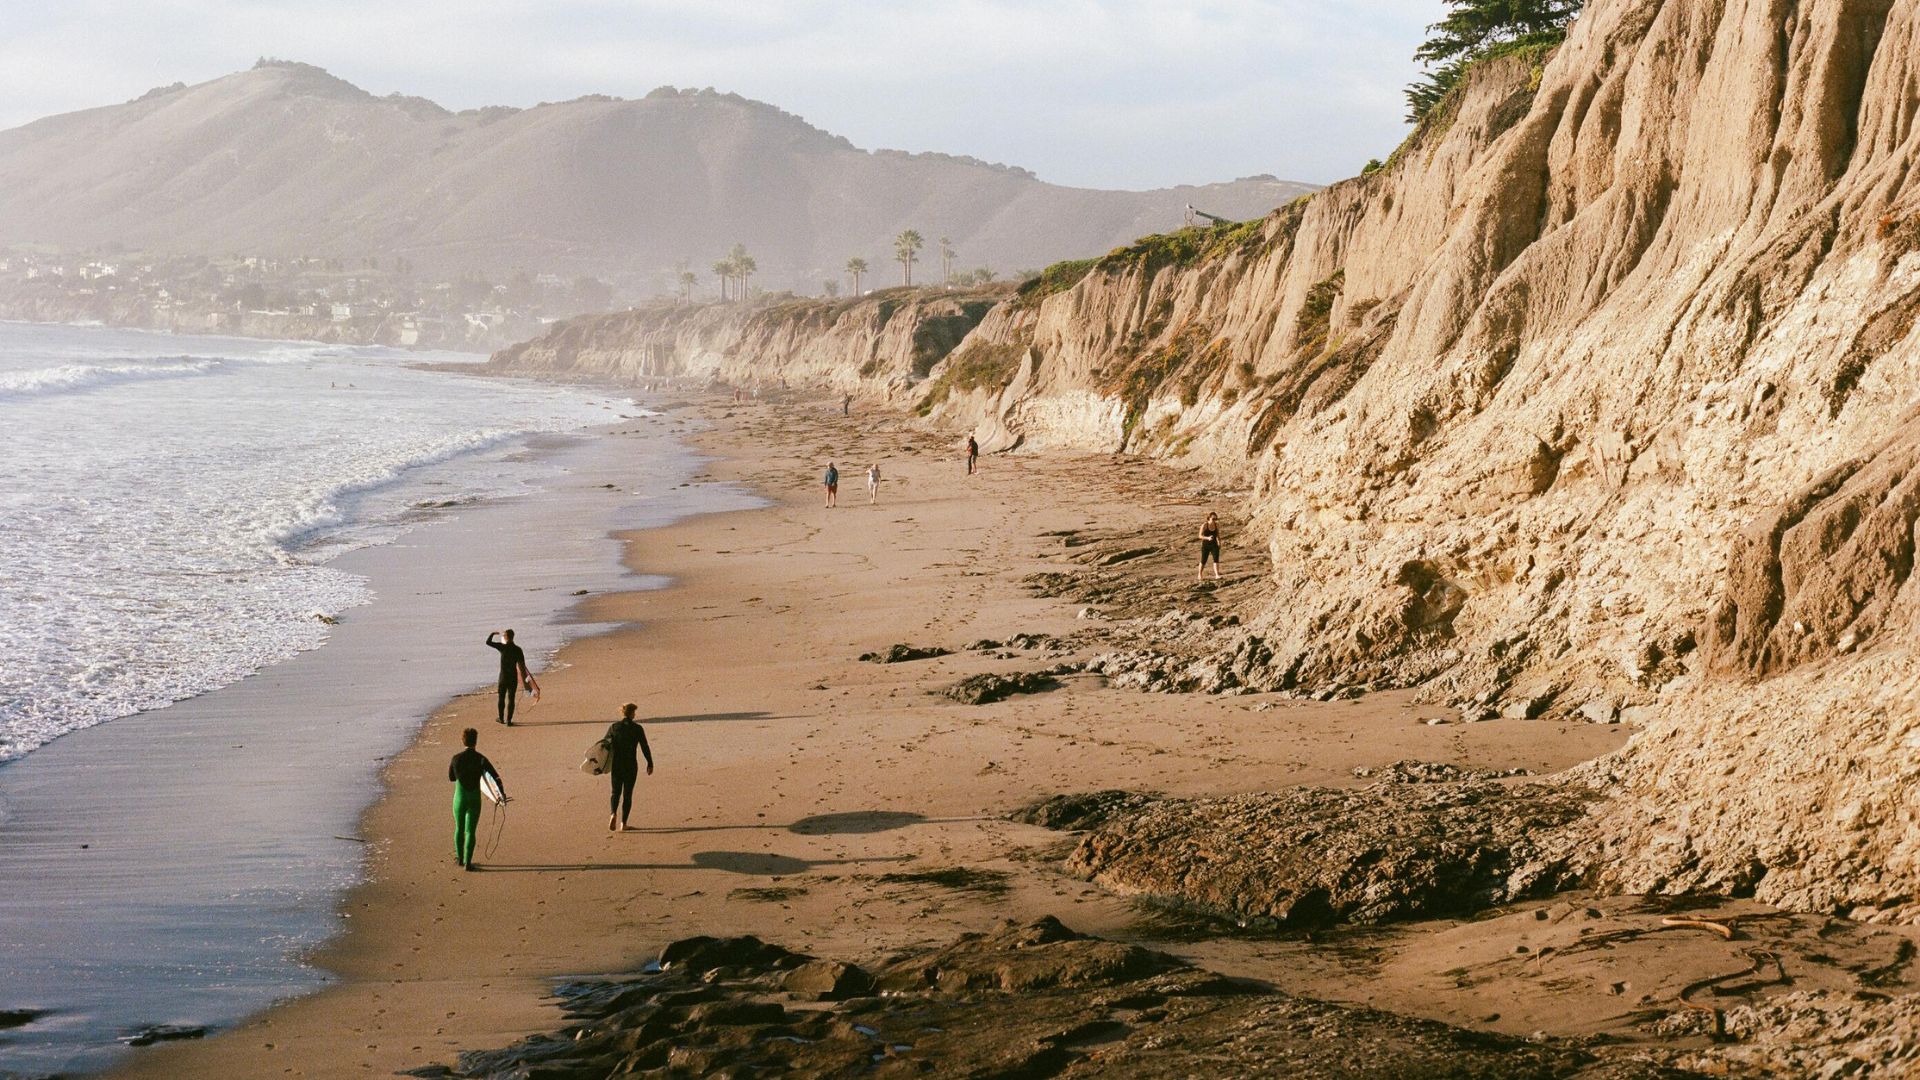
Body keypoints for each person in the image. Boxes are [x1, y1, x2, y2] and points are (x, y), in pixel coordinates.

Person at [449, 727, 504, 870]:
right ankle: (468, 863)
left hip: (459, 799)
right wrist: (501, 795)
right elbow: (495, 777)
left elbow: (451, 778)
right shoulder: (481, 759)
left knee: (459, 828)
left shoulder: (456, 758)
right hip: (474, 799)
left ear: (463, 741)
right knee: (471, 831)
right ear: (476, 741)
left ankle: (460, 859)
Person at [603, 703, 655, 831]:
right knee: (627, 794)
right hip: (631, 765)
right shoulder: (637, 728)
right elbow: (644, 746)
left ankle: (613, 813)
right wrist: (650, 763)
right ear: (632, 714)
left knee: (615, 792)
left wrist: (601, 764)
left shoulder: (614, 727)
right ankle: (623, 824)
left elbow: (604, 745)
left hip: (617, 764)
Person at [485, 629, 531, 725]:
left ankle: (501, 719)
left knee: (501, 698)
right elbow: (522, 667)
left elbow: (488, 642)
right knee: (511, 698)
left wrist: (492, 634)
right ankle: (509, 721)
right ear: (513, 636)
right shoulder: (518, 650)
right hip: (512, 677)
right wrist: (526, 684)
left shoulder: (502, 647)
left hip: (503, 677)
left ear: (506, 637)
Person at [1198, 512, 1223, 582]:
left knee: (1216, 559)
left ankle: (1217, 574)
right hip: (1206, 545)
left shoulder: (1216, 525)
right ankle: (1199, 574)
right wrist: (1207, 538)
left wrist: (1219, 543)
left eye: (1216, 518)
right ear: (1209, 518)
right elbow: (1199, 536)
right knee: (1203, 560)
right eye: (1213, 518)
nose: (1214, 520)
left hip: (1214, 544)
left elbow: (1218, 535)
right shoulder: (1204, 525)